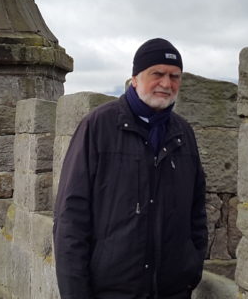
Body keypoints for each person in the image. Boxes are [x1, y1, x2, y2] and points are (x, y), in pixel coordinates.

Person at [54, 38, 208, 299]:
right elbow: (71, 216)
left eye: (174, 76)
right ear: (135, 78)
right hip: (112, 292)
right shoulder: (98, 126)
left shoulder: (183, 133)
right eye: (157, 74)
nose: (166, 84)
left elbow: (197, 210)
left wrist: (191, 267)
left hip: (172, 291)